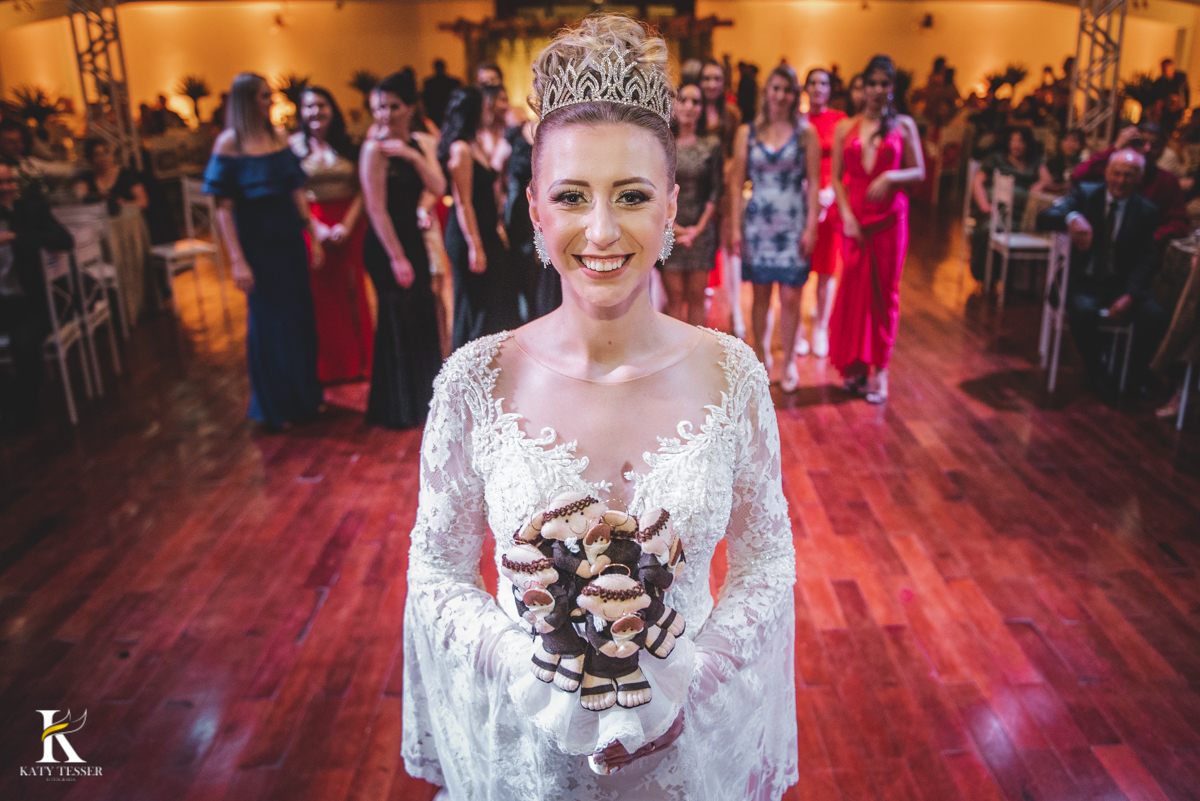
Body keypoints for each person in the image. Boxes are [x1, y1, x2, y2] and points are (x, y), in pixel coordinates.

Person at [400, 16, 797, 799]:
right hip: (531, 755)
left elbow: (767, 560)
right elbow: (438, 567)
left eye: (633, 195)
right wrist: (524, 665)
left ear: (672, 208)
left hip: (685, 760)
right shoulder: (475, 381)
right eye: (573, 195)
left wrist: (695, 676)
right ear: (536, 211)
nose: (604, 231)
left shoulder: (733, 375)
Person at [203, 72, 325, 430]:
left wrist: (312, 236)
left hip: (288, 241)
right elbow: (223, 208)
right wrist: (238, 260)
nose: (270, 101)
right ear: (245, 101)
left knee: (299, 320)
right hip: (257, 248)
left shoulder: (278, 137)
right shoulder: (229, 144)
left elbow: (296, 191)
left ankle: (305, 400)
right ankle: (275, 407)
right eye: (262, 96)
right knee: (269, 325)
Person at [828, 54, 926, 404]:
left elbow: (920, 172)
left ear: (892, 88)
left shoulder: (905, 127)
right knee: (852, 293)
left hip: (889, 222)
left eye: (884, 84)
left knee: (885, 295)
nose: (877, 90)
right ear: (863, 87)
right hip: (855, 223)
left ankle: (880, 371)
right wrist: (846, 217)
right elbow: (837, 179)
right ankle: (855, 370)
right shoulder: (845, 127)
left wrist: (891, 176)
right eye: (871, 83)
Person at [1038, 149, 1168, 397]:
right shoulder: (1087, 194)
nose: (1121, 181)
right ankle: (1096, 370)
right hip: (1084, 280)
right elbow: (1045, 218)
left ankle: (1131, 373)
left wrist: (1129, 295)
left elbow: (1145, 259)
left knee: (1156, 317)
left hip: (1122, 284)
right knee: (1084, 312)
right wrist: (1073, 218)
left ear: (1139, 178)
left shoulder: (1147, 211)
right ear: (1107, 173)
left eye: (1128, 176)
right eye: (1116, 173)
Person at [360, 72, 447, 428]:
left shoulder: (414, 144)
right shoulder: (372, 149)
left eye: (393, 106)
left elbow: (439, 186)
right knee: (398, 320)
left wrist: (412, 156)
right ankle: (398, 406)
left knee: (422, 314)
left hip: (413, 239)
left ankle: (423, 402)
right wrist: (397, 257)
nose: (385, 114)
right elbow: (375, 208)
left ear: (410, 107)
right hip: (387, 244)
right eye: (379, 106)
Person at [729, 63, 821, 392]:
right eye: (775, 88)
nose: (780, 96)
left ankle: (790, 363)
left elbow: (814, 183)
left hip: (792, 222)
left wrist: (811, 226)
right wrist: (736, 228)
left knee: (793, 297)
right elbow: (738, 183)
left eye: (787, 90)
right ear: (767, 92)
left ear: (795, 95)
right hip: (758, 224)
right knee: (760, 296)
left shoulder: (806, 133)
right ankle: (761, 357)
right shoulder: (747, 132)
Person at [290, 86, 373, 384]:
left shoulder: (349, 143)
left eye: (322, 105)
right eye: (309, 106)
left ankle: (360, 363)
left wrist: (347, 224)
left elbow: (364, 187)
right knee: (321, 298)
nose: (316, 112)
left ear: (332, 109)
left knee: (355, 292)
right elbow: (293, 193)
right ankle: (330, 367)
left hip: (349, 221)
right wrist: (318, 227)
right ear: (302, 112)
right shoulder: (293, 147)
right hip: (312, 224)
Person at [440, 86, 523, 348]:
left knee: (499, 296)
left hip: (485, 232)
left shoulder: (476, 144)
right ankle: (467, 367)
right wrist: (475, 245)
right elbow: (463, 202)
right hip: (469, 236)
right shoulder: (461, 149)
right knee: (474, 304)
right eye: (485, 108)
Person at [0, 163, 73, 430]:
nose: (5, 188)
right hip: (3, 304)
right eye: (0, 183)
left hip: (34, 301)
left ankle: (23, 416)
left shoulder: (30, 211)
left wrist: (16, 237)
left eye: (9, 182)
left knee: (23, 343)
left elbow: (65, 241)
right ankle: (14, 399)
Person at [663, 80, 722, 325]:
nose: (689, 106)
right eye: (683, 100)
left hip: (701, 229)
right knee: (674, 298)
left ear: (702, 107)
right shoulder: (663, 145)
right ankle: (674, 359)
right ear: (674, 106)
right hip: (668, 226)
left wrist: (697, 229)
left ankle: (697, 358)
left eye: (695, 101)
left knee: (697, 298)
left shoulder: (711, 145)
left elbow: (716, 191)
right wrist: (674, 228)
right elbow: (658, 190)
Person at [1073, 122, 1188, 244]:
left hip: (1141, 249)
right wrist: (1116, 146)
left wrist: (1150, 237)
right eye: (1141, 143)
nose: (1147, 149)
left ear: (1162, 150)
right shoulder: (1113, 172)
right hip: (1099, 240)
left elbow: (1179, 223)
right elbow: (1078, 176)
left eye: (1155, 145)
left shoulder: (1166, 181)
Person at [699, 58, 746, 337]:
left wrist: (729, 171)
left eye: (716, 79)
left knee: (731, 249)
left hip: (728, 187)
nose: (711, 84)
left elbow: (740, 153)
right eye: (707, 79)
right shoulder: (692, 109)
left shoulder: (733, 113)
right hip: (701, 188)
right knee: (704, 244)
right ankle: (700, 305)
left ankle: (736, 308)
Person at [497, 115, 560, 319]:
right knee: (523, 270)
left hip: (548, 212)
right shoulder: (514, 134)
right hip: (518, 216)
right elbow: (495, 168)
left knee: (547, 268)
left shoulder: (558, 132)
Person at [804, 68, 848, 358]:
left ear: (830, 89)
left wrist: (833, 190)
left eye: (824, 83)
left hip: (831, 200)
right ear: (806, 88)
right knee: (799, 267)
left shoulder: (840, 121)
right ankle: (795, 330)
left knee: (826, 268)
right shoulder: (798, 121)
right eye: (813, 83)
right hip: (804, 200)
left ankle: (820, 326)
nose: (818, 88)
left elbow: (846, 161)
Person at [969, 127, 1042, 282]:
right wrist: (985, 206)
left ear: (1028, 144)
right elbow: (977, 181)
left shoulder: (1035, 163)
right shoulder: (996, 159)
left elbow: (1047, 180)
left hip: (1023, 215)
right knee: (989, 229)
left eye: (1021, 141)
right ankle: (986, 276)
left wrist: (1042, 184)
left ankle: (1015, 280)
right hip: (997, 212)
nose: (1016, 145)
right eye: (1013, 140)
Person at [77, 139, 147, 217]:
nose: (103, 158)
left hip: (127, 222)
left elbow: (143, 202)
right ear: (90, 160)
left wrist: (123, 203)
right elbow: (80, 202)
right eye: (97, 155)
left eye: (106, 153)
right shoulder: (87, 178)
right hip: (100, 225)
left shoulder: (125, 174)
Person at [1035, 127, 1085, 195]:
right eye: (1066, 139)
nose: (1070, 144)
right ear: (1061, 142)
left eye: (1075, 140)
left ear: (1081, 145)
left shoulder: (1083, 165)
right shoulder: (1051, 163)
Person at [422, 59, 462, 129]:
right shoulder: (453, 82)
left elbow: (426, 100)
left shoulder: (429, 83)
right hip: (449, 113)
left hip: (435, 113)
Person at [1152, 59, 1190, 133]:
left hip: (1179, 107)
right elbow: (1159, 96)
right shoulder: (1161, 81)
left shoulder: (1181, 77)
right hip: (1167, 109)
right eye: (1163, 69)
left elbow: (1186, 91)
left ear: (1171, 67)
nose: (1164, 71)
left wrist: (1187, 107)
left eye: (1166, 68)